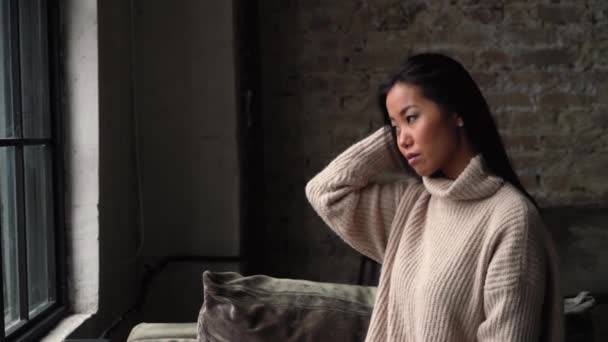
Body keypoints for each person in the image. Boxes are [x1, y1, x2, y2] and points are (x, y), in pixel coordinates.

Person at [305, 53, 564, 342]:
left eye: (412, 117)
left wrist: (406, 134)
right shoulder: (414, 203)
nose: (401, 139)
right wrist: (400, 137)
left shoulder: (511, 218)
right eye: (394, 127)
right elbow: (326, 192)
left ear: (456, 112)